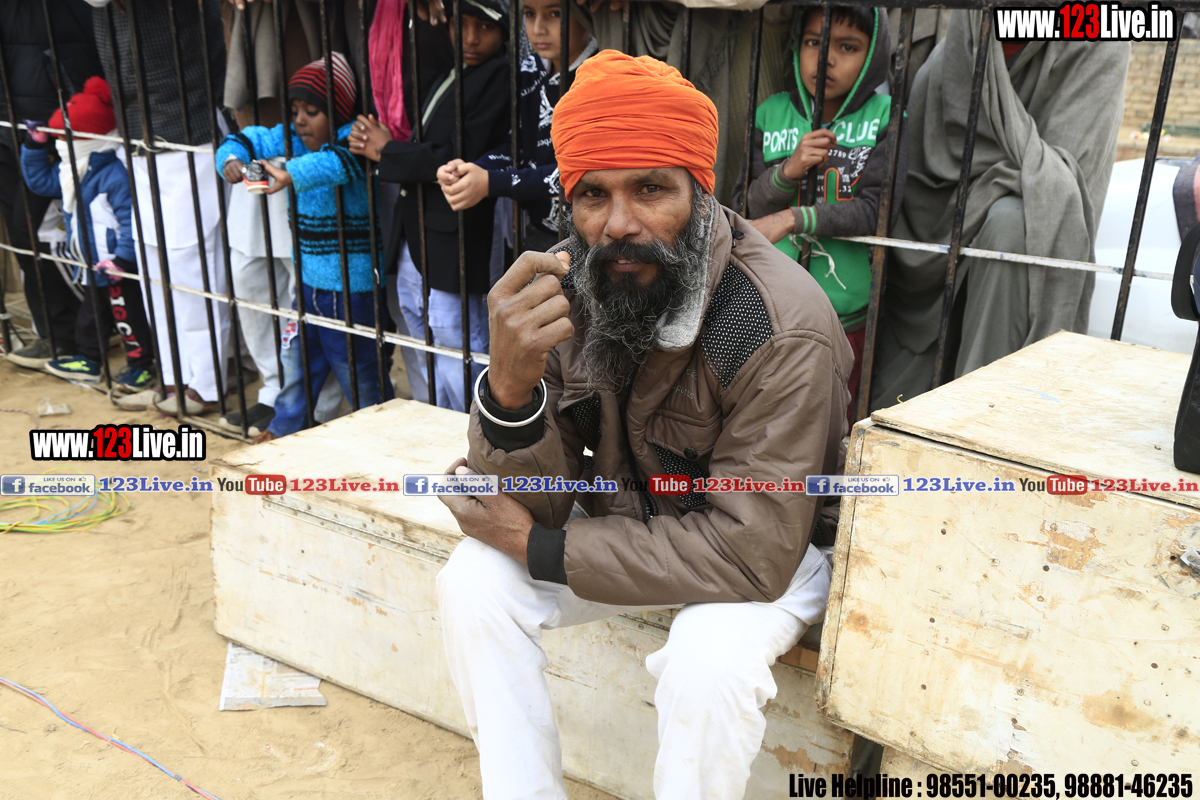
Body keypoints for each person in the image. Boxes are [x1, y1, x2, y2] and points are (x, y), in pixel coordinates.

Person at [434, 51, 852, 800]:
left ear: (701, 191)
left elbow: (751, 551)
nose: (620, 224)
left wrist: (539, 548)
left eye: (651, 189)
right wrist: (508, 394)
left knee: (707, 665)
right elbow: (533, 503)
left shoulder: (775, 323)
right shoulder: (568, 285)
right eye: (593, 194)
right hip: (630, 526)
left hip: (769, 555)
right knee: (473, 583)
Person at [869, 12, 1130, 409]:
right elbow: (920, 181)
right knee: (888, 415)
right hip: (936, 236)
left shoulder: (1100, 39)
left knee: (1016, 222)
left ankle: (980, 415)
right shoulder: (962, 39)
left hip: (1012, 247)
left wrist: (996, 184)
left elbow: (1061, 188)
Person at [742, 5, 906, 426]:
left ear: (872, 56)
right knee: (761, 419)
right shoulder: (771, 112)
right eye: (814, 42)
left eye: (847, 47)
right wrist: (788, 171)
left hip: (844, 313)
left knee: (826, 426)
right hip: (770, 306)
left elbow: (876, 211)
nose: (826, 58)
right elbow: (752, 205)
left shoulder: (884, 116)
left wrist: (794, 218)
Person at [216, 53, 391, 442]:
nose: (300, 120)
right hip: (308, 286)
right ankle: (283, 429)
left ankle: (381, 438)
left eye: (312, 111)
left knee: (360, 374)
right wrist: (231, 158)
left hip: (353, 291)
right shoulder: (291, 139)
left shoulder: (354, 139)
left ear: (337, 112)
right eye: (295, 110)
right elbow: (247, 138)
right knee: (297, 364)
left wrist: (288, 173)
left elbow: (334, 164)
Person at [349, 0, 511, 413]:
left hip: (456, 236)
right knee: (420, 334)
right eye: (462, 24)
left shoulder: (499, 75)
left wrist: (386, 150)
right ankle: (435, 424)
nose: (470, 37)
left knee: (458, 342)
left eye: (484, 27)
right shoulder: (451, 70)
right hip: (418, 230)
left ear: (504, 33)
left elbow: (457, 155)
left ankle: (473, 433)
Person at [85, 0, 230, 415]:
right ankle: (173, 376)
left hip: (188, 130)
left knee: (192, 263)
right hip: (139, 137)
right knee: (154, 267)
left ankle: (207, 383)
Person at [19, 77, 155, 392]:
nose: (60, 144)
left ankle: (141, 367)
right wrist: (34, 145)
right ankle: (90, 360)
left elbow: (131, 222)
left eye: (64, 138)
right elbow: (40, 183)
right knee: (92, 316)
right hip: (90, 261)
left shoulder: (114, 174)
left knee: (128, 316)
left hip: (116, 264)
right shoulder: (73, 170)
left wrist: (122, 260)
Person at [437, 0, 597, 254]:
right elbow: (516, 142)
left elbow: (581, 171)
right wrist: (474, 170)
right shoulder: (530, 68)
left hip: (594, 238)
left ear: (586, 14)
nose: (538, 28)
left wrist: (492, 182)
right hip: (538, 230)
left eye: (555, 14)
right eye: (530, 14)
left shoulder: (602, 76)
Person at [0, 0, 101, 369]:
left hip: (49, 125)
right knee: (21, 236)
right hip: (7, 123)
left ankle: (80, 334)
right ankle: (56, 335)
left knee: (41, 232)